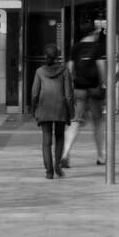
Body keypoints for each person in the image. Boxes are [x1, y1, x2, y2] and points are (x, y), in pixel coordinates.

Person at [62, 24, 107, 168]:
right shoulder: (97, 47)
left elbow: (69, 69)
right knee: (98, 123)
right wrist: (103, 83)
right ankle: (100, 156)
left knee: (75, 122)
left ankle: (65, 154)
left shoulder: (75, 48)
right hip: (94, 89)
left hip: (79, 89)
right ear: (93, 33)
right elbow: (101, 66)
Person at [30, 43, 74, 179]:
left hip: (44, 108)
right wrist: (70, 110)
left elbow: (34, 93)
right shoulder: (64, 71)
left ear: (45, 56)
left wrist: (33, 109)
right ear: (57, 57)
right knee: (60, 137)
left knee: (46, 141)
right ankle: (57, 167)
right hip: (60, 108)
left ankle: (49, 172)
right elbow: (68, 94)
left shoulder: (39, 71)